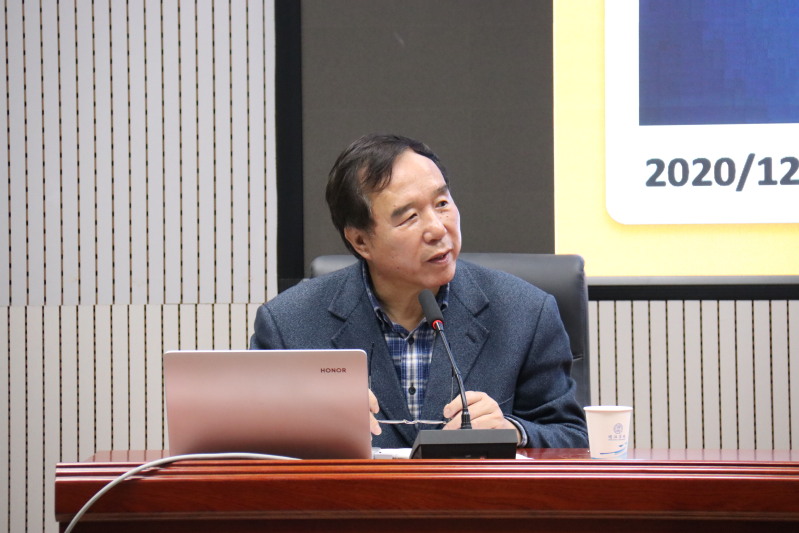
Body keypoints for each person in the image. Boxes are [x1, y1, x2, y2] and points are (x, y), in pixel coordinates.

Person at [250, 133, 588, 449]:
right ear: (361, 241)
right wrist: (304, 426)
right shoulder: (289, 326)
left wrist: (513, 431)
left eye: (441, 203)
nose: (437, 229)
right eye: (410, 217)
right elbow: (248, 444)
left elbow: (573, 437)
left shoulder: (525, 313)